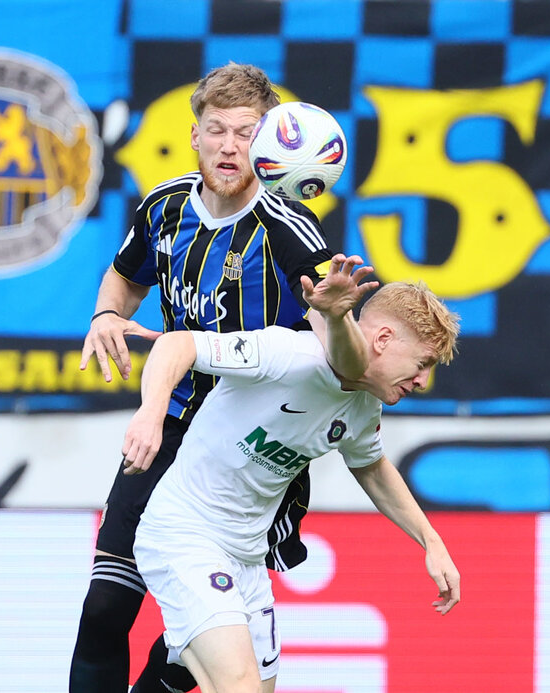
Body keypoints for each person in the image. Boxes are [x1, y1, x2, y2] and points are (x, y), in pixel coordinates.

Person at [69, 62, 374, 693]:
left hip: (245, 453)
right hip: (170, 425)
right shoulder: (165, 207)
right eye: (217, 130)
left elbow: (344, 357)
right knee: (104, 608)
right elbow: (124, 277)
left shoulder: (289, 230)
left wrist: (336, 314)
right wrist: (105, 314)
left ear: (267, 146)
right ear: (195, 135)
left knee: (188, 651)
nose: (229, 146)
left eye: (245, 133)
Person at [123, 281, 462, 693]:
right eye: (423, 363)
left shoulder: (364, 405)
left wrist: (431, 541)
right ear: (384, 339)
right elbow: (177, 345)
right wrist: (150, 414)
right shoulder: (289, 355)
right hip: (185, 534)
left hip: (247, 561)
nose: (423, 380)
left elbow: (372, 467)